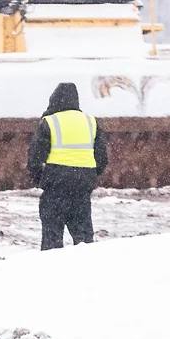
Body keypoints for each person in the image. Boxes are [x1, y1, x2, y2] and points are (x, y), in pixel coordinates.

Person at [27, 82, 108, 250]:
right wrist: (89, 176)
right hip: (82, 186)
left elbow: (35, 159)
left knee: (52, 237)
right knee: (84, 237)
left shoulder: (49, 122)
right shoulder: (91, 122)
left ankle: (53, 269)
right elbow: (102, 159)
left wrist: (41, 180)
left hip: (56, 185)